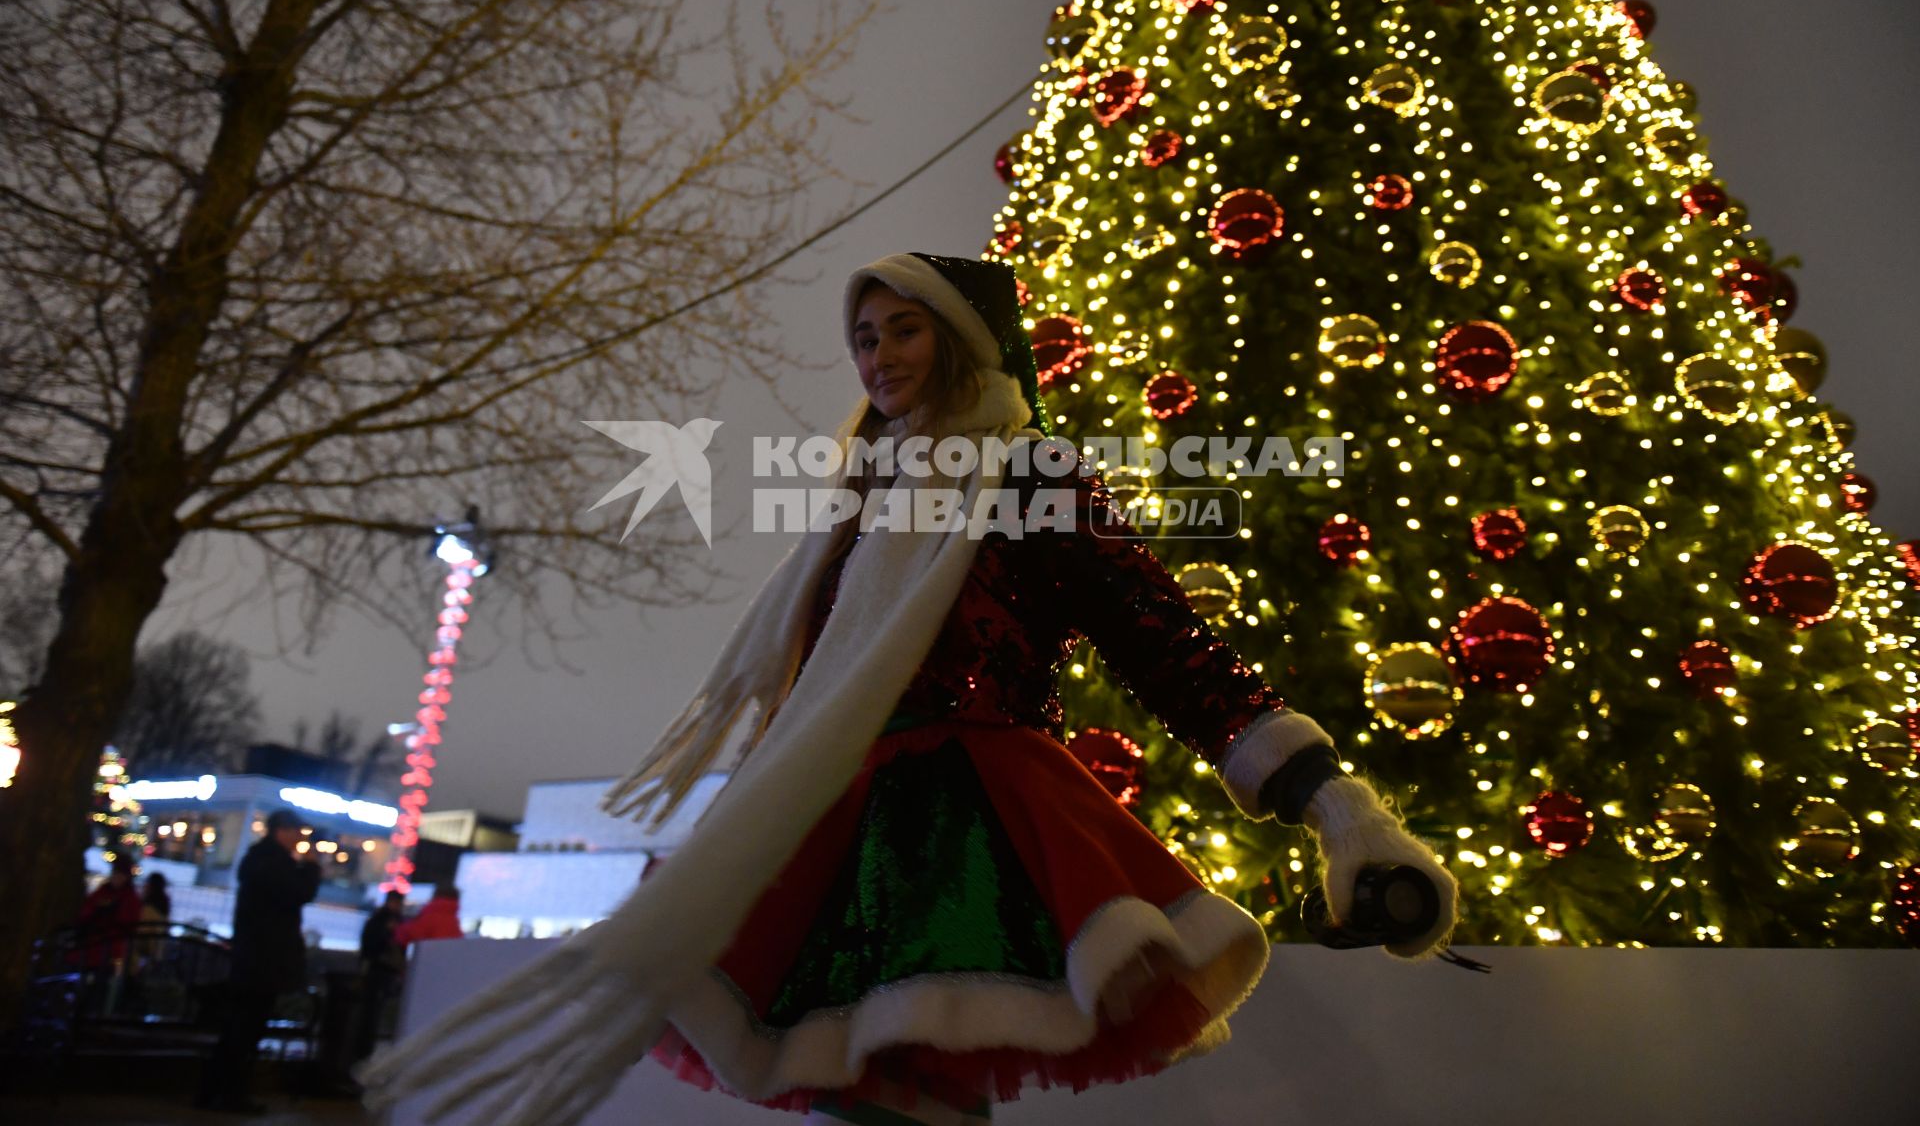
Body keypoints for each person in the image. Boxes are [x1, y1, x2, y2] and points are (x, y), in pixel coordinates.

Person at [361, 254, 1457, 1126]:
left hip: (975, 817)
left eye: (904, 327)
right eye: (865, 335)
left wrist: (1332, 801)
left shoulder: (1032, 475)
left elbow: (1161, 639)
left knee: (916, 1091)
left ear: (963, 339)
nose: (878, 354)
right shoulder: (856, 501)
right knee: (870, 1092)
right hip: (834, 808)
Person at [196, 808, 321, 1115]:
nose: (299, 840)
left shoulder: (260, 860)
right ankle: (230, 1094)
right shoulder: (274, 863)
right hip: (263, 959)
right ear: (282, 831)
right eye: (296, 833)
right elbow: (298, 893)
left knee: (240, 1028)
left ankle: (214, 1091)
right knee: (246, 1028)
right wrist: (311, 869)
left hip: (254, 956)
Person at [353, 891, 409, 1064]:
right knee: (373, 1012)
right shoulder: (395, 922)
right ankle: (364, 1049)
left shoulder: (377, 920)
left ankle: (361, 1048)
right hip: (385, 971)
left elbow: (368, 946)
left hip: (377, 970)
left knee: (369, 1011)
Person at [75, 853, 143, 974]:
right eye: (115, 874)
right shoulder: (103, 892)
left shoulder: (129, 898)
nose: (116, 878)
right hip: (94, 941)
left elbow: (128, 922)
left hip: (110, 945)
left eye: (120, 875)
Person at [394, 884, 464, 948]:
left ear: (436, 895)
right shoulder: (453, 919)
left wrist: (397, 928)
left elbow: (410, 935)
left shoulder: (432, 914)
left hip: (426, 958)